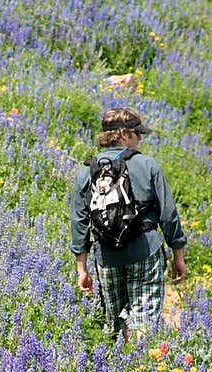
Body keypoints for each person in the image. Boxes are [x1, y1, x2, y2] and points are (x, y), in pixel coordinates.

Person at [70, 107, 187, 343]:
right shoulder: (148, 165)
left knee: (113, 325)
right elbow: (168, 215)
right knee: (143, 323)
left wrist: (81, 268)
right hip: (145, 251)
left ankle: (114, 370)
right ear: (124, 134)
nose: (140, 138)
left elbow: (79, 221)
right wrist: (178, 255)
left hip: (106, 255)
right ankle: (139, 369)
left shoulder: (87, 170)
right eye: (137, 133)